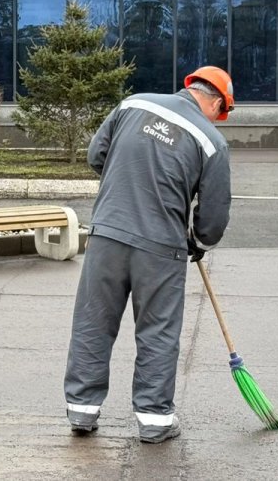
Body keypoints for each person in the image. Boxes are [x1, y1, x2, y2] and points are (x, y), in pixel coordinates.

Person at [64, 66, 234, 444]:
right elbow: (215, 213)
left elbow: (97, 155)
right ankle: (155, 420)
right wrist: (199, 241)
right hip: (160, 248)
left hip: (107, 234)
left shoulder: (132, 104)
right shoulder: (211, 141)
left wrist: (126, 187)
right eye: (220, 113)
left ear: (190, 87)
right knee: (158, 331)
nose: (217, 120)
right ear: (217, 102)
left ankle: (82, 410)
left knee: (94, 321)